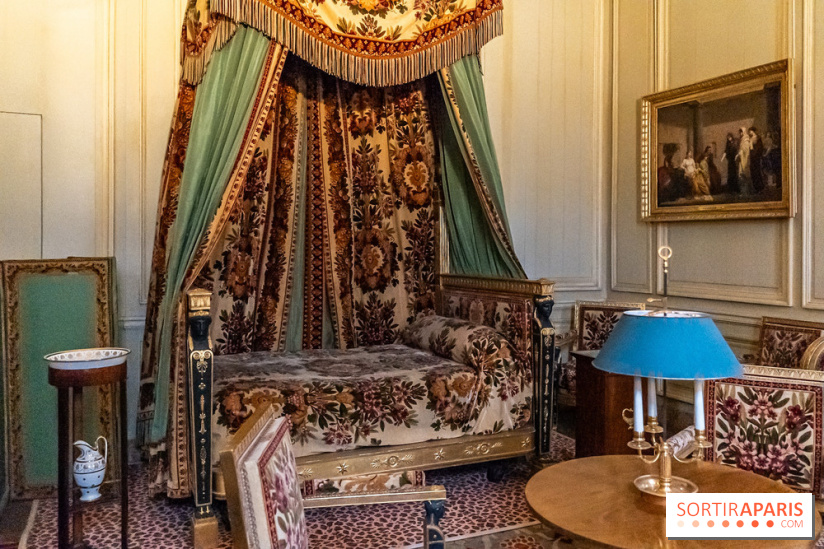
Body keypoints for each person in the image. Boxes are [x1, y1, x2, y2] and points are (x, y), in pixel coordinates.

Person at [735, 127, 751, 194]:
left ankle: (746, 192)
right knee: (741, 175)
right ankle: (743, 192)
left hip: (745, 160)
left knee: (744, 175)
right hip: (742, 159)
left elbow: (745, 150)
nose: (740, 133)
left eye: (741, 132)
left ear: (743, 132)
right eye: (740, 132)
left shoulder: (746, 139)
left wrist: (739, 154)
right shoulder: (742, 139)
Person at [748, 126, 765, 193]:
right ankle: (756, 188)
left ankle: (759, 188)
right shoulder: (751, 138)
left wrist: (751, 146)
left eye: (750, 131)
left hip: (756, 158)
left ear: (753, 131)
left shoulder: (757, 138)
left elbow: (758, 149)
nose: (749, 132)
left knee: (757, 173)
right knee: (753, 173)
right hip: (752, 158)